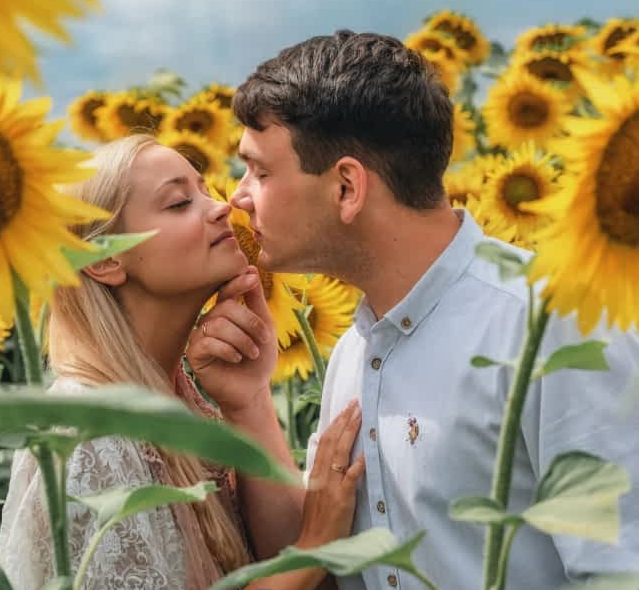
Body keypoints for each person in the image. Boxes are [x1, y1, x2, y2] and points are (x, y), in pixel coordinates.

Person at [186, 30, 639, 589]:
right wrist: (251, 403)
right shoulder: (356, 351)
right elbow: (320, 569)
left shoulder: (548, 324)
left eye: (260, 171)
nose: (238, 196)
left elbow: (618, 571)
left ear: (347, 187)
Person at [0, 134, 366, 590]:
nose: (221, 207)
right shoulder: (91, 431)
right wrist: (317, 542)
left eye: (206, 191)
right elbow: (300, 561)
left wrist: (248, 402)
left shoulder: (177, 405)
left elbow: (283, 565)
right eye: (178, 203)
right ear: (103, 261)